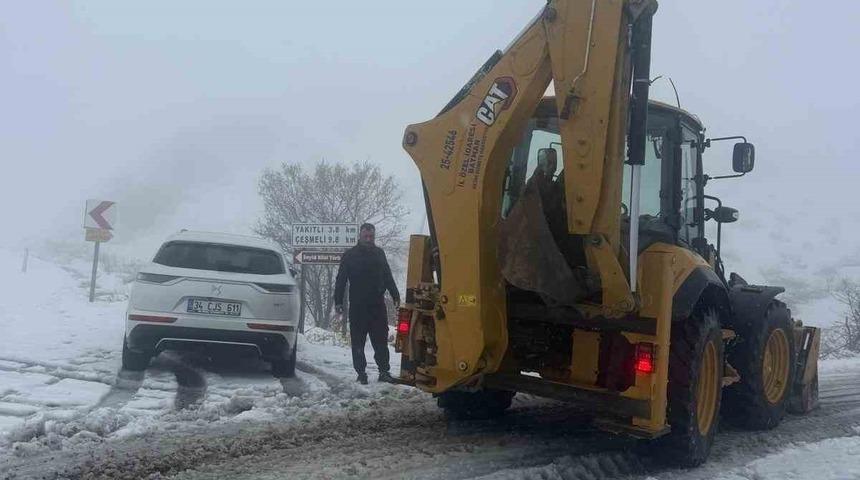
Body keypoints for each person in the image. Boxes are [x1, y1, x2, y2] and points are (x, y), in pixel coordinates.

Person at [334, 223, 400, 384]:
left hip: (377, 306)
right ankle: (361, 373)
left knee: (380, 341)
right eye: (366, 236)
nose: (369, 239)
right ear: (360, 236)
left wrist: (395, 295)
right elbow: (341, 280)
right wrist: (338, 301)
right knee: (358, 342)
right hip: (357, 307)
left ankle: (384, 371)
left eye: (371, 237)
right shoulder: (350, 255)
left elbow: (387, 275)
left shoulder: (379, 253)